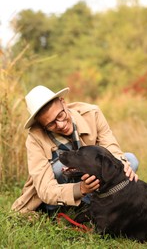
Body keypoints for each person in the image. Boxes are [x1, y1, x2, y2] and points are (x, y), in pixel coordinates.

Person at [12, 85, 139, 215]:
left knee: (130, 160)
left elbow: (110, 146)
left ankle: (92, 203)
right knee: (58, 167)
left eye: (60, 115)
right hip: (60, 192)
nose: (60, 125)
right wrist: (81, 189)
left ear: (63, 102)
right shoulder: (34, 139)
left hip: (90, 181)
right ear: (41, 124)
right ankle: (60, 211)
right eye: (51, 124)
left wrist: (121, 162)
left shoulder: (92, 113)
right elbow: (45, 189)